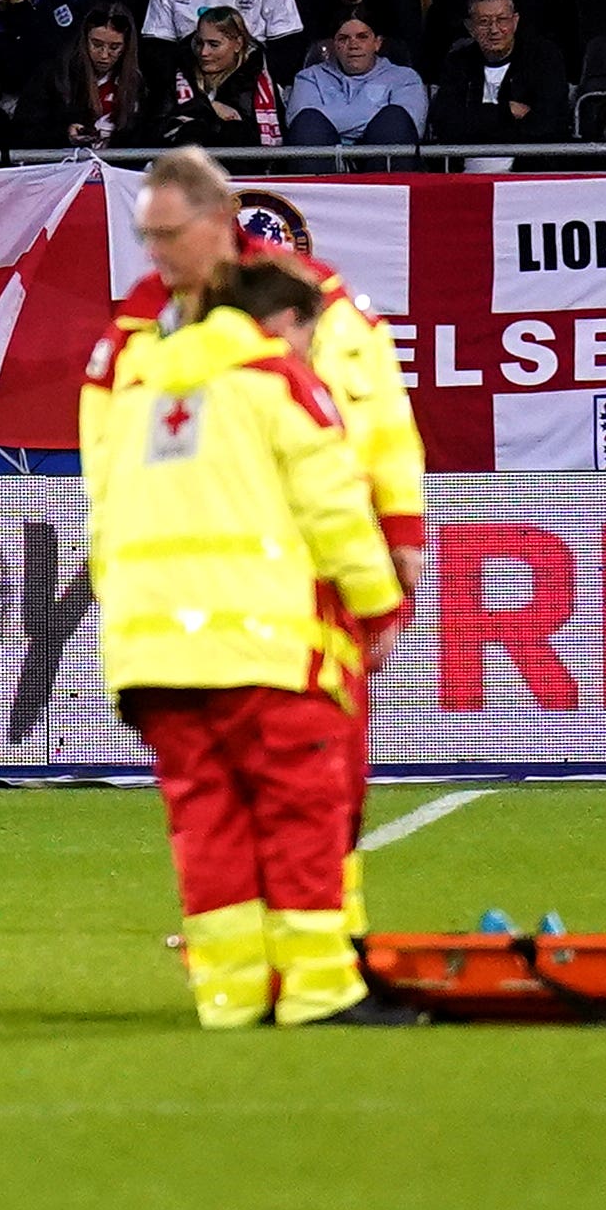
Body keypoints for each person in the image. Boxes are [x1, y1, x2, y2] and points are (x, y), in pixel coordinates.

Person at [88, 252, 414, 1027]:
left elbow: (104, 515)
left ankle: (230, 996)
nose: (311, 350)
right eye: (309, 333)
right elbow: (332, 506)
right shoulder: (279, 384)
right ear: (283, 323)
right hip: (261, 644)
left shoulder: (138, 389)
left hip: (155, 653)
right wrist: (378, 607)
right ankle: (318, 991)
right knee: (303, 811)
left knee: (207, 823)